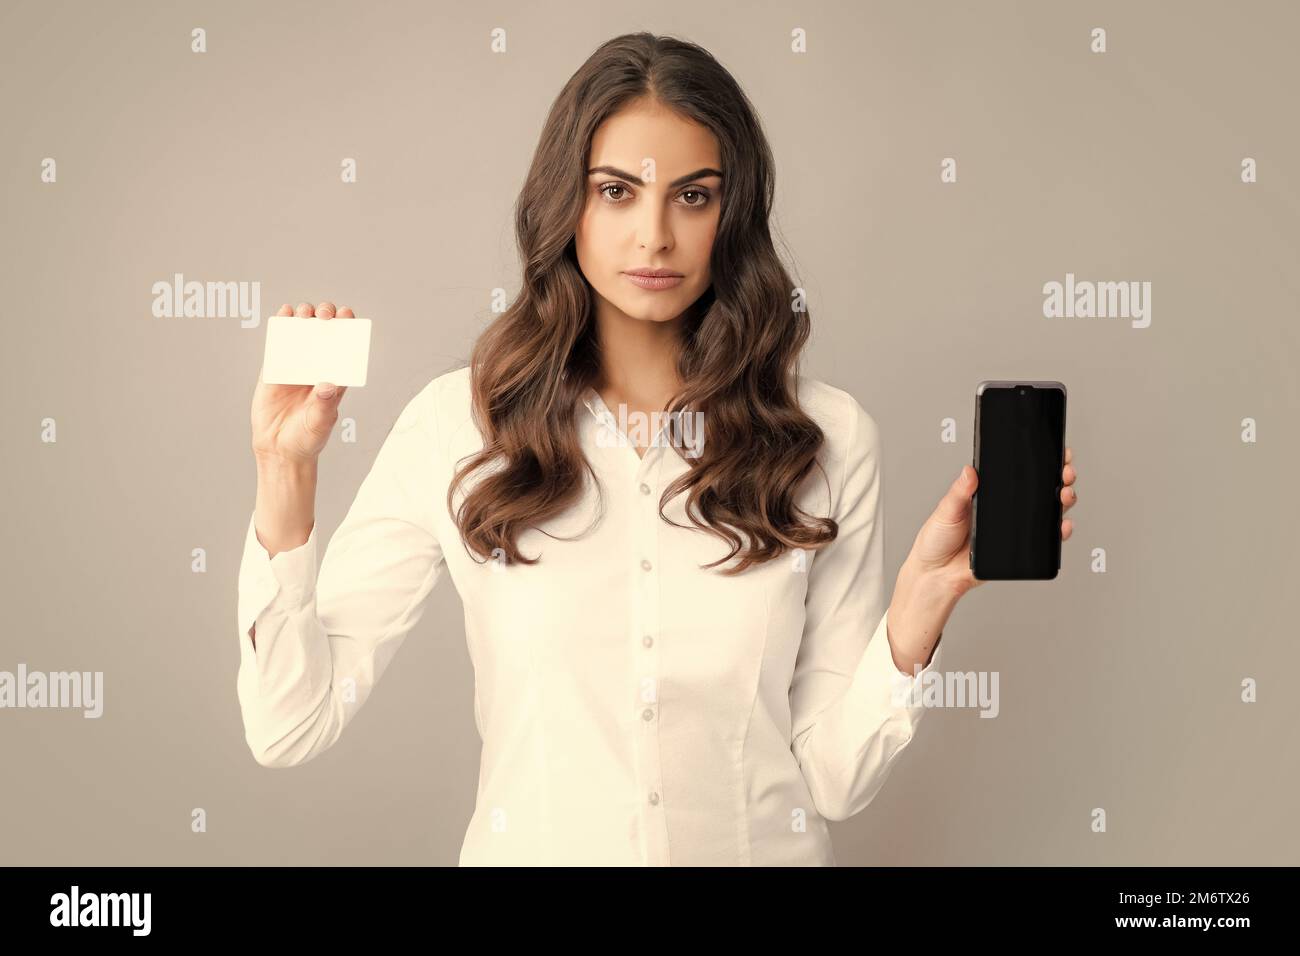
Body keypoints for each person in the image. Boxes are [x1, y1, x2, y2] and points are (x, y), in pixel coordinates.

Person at [237, 32, 1079, 866]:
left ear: (733, 212)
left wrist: (915, 617)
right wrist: (287, 471)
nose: (653, 237)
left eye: (693, 196)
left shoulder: (828, 440)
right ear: (565, 201)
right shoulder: (455, 428)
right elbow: (290, 724)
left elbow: (830, 781)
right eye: (615, 191)